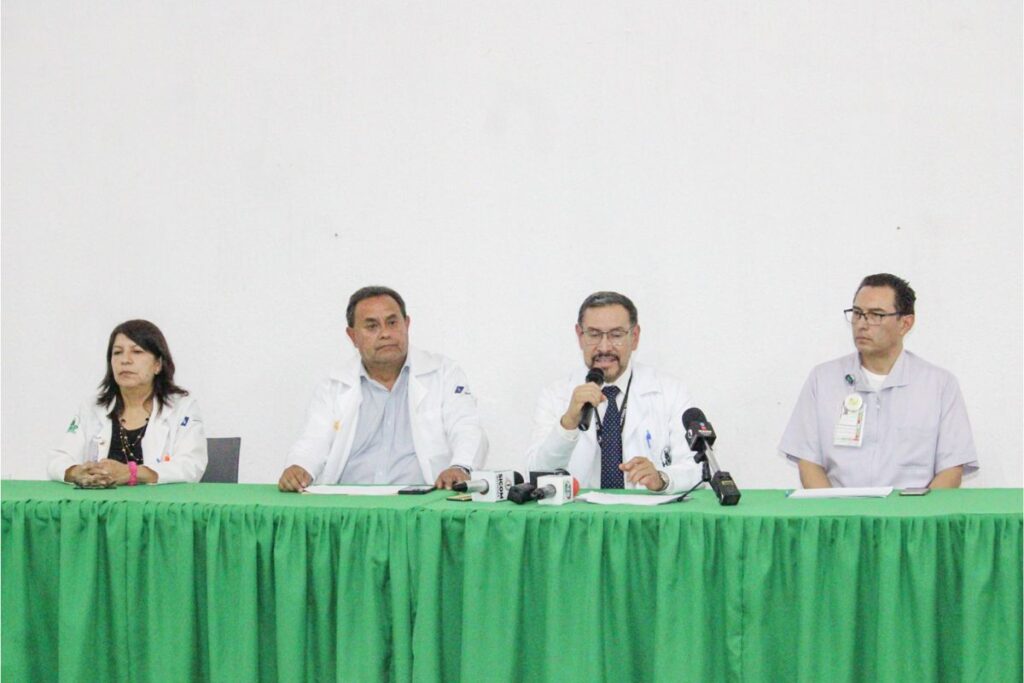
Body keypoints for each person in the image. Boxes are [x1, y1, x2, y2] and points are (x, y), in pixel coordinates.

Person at [278, 286, 487, 492]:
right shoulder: (334, 385)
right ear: (352, 336)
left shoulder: (444, 373)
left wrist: (460, 467)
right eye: (372, 326)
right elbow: (313, 440)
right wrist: (299, 467)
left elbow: (466, 427)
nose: (386, 333)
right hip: (350, 507)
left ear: (407, 324)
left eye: (392, 323)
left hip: (419, 506)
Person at [779, 273, 978, 489]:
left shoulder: (939, 384)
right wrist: (835, 515)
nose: (862, 324)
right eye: (857, 313)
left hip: (912, 515)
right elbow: (808, 462)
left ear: (905, 323)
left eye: (876, 315)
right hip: (841, 514)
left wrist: (916, 519)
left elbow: (951, 468)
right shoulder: (823, 379)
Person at [525, 291, 702, 493]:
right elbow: (537, 472)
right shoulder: (555, 395)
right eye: (593, 334)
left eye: (616, 335)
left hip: (646, 517)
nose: (604, 347)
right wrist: (568, 423)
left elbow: (697, 467)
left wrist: (662, 478)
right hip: (581, 519)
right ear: (580, 336)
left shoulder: (670, 391)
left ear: (634, 337)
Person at [48, 319, 208, 486]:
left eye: (137, 352)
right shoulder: (93, 408)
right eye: (117, 352)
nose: (125, 360)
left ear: (158, 365)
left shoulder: (182, 407)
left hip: (156, 508)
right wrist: (76, 472)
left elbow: (191, 465)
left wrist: (132, 473)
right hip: (100, 507)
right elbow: (59, 459)